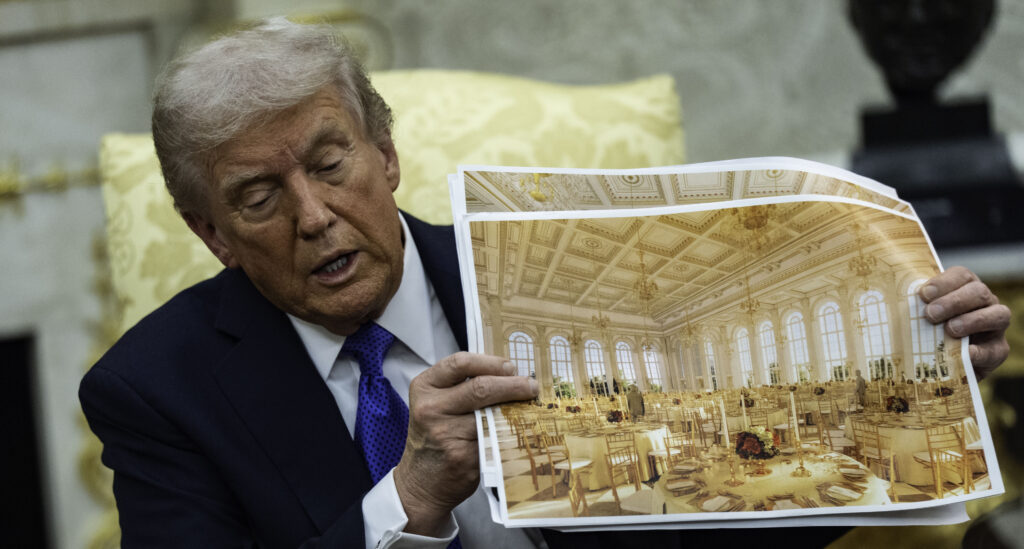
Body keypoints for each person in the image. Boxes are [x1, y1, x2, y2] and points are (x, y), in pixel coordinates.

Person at [79, 18, 1012, 549]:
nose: (313, 215)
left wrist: (925, 372)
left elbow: (730, 507)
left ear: (387, 154)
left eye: (330, 164)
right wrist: (404, 500)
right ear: (211, 234)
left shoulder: (553, 278)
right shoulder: (155, 390)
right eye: (256, 197)